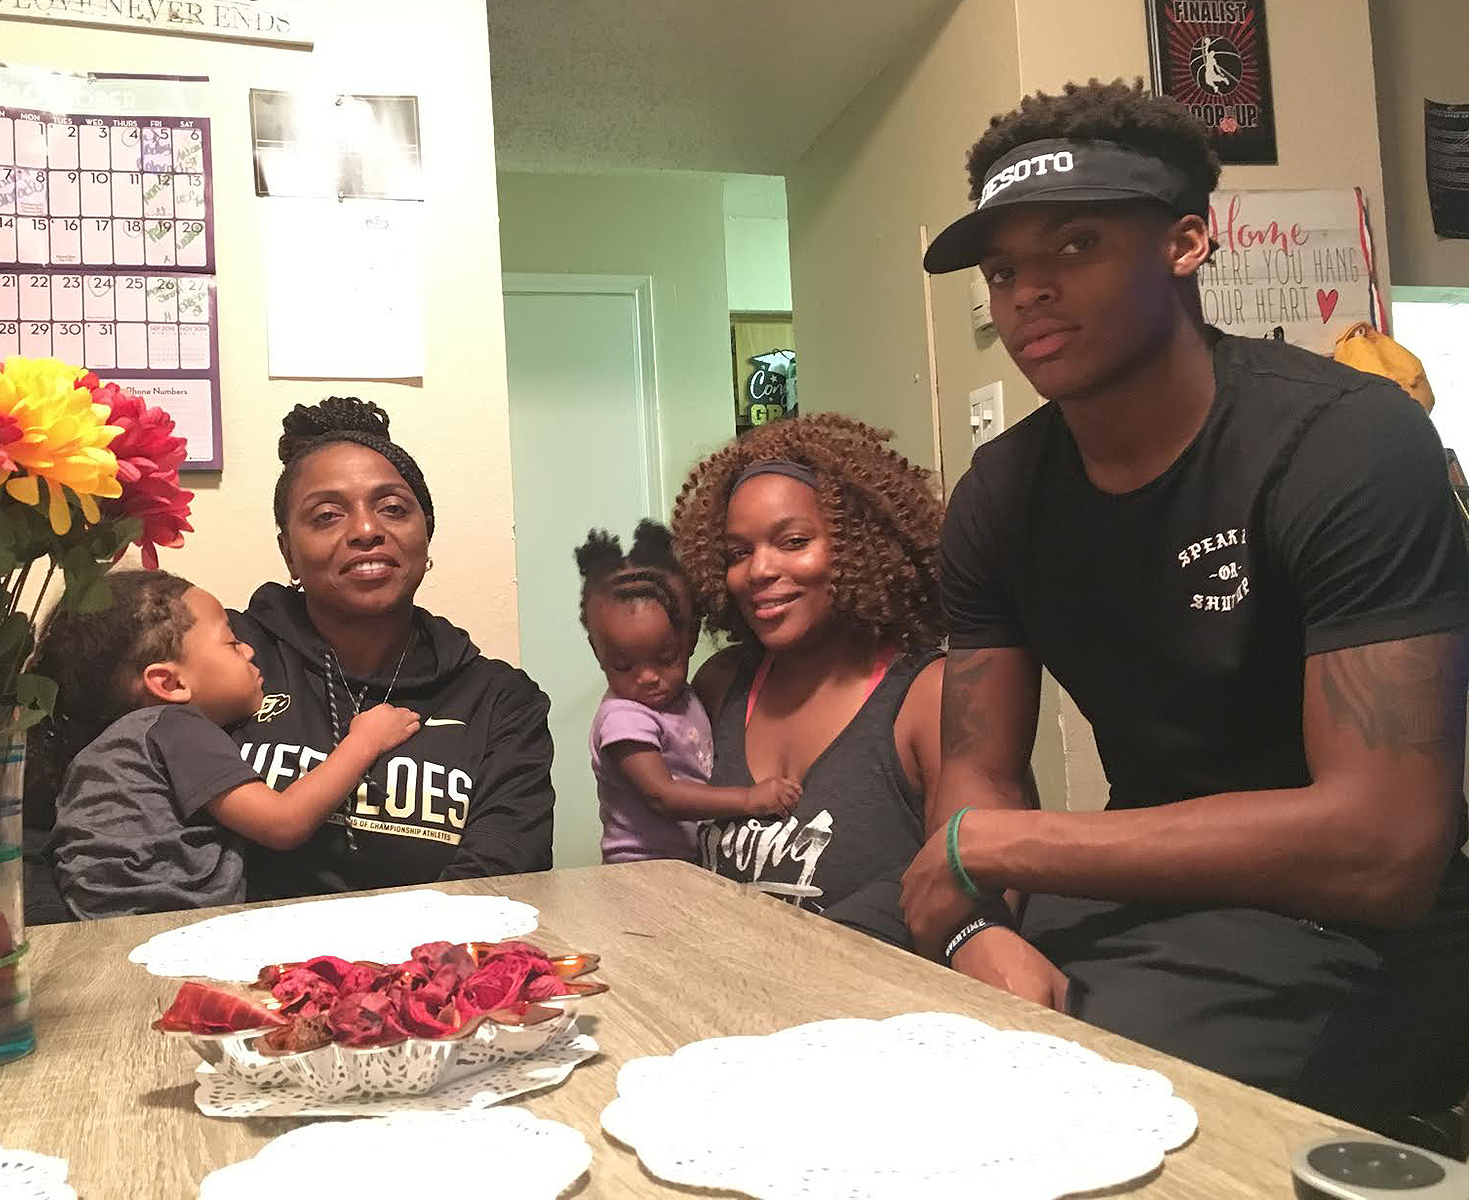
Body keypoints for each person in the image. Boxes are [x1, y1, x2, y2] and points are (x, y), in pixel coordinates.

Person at [908, 79, 1469, 1130]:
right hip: (1143, 890)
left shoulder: (1346, 443)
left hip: (1357, 926)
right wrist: (968, 936)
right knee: (863, 1004)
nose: (1028, 291)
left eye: (1074, 246)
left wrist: (996, 849)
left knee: (1073, 1110)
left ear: (1184, 243)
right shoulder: (999, 495)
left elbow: (1388, 846)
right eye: (1002, 270)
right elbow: (975, 773)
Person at [231, 396, 557, 898]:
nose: (366, 530)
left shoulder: (500, 700)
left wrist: (386, 969)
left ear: (426, 536)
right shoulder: (228, 657)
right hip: (234, 962)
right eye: (326, 516)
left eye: (393, 509)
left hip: (427, 964)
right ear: (288, 552)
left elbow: (503, 871)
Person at [674, 414, 947, 946]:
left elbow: (971, 900)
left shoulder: (927, 697)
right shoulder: (721, 685)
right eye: (738, 553)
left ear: (861, 546)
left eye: (794, 541)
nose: (758, 571)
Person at [31, 569, 420, 920]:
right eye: (232, 643)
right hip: (163, 927)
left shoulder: (108, 748)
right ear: (170, 683)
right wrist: (365, 740)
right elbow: (282, 822)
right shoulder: (176, 728)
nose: (250, 651)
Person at [578, 519, 801, 864]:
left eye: (666, 659)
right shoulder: (624, 718)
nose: (648, 677)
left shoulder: (687, 696)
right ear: (596, 652)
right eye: (624, 666)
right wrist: (750, 800)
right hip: (641, 870)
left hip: (687, 865)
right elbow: (662, 796)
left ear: (691, 637)